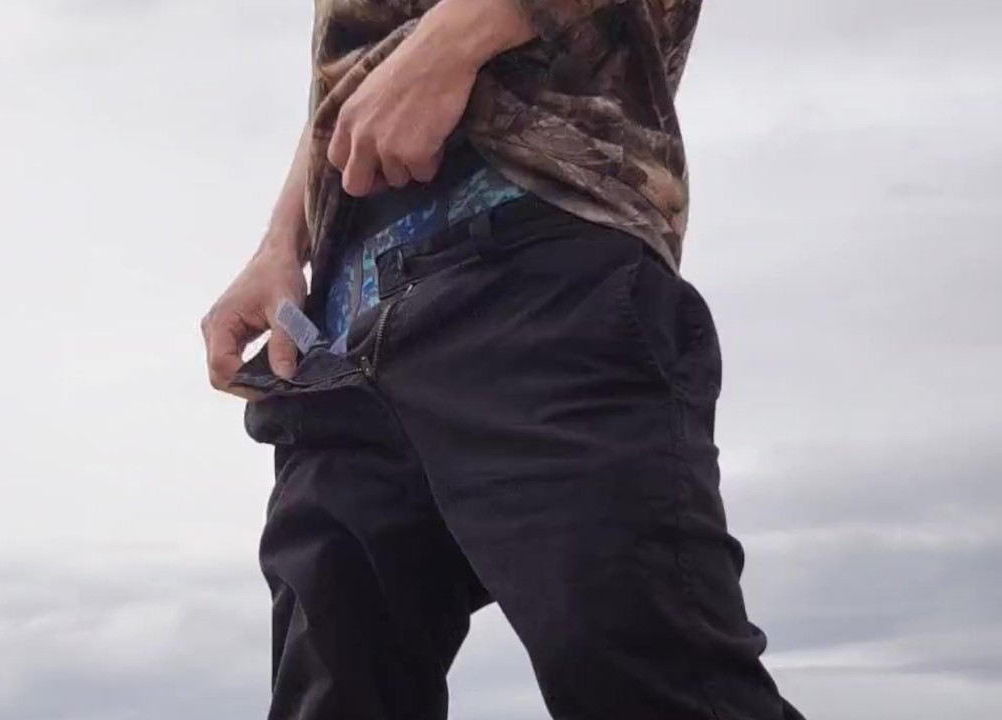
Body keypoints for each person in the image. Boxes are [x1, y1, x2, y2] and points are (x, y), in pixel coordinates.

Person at [201, 1, 806, 718]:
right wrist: (281, 244)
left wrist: (456, 38)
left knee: (649, 682)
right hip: (343, 322)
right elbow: (359, 61)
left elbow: (412, 58)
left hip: (541, 258)